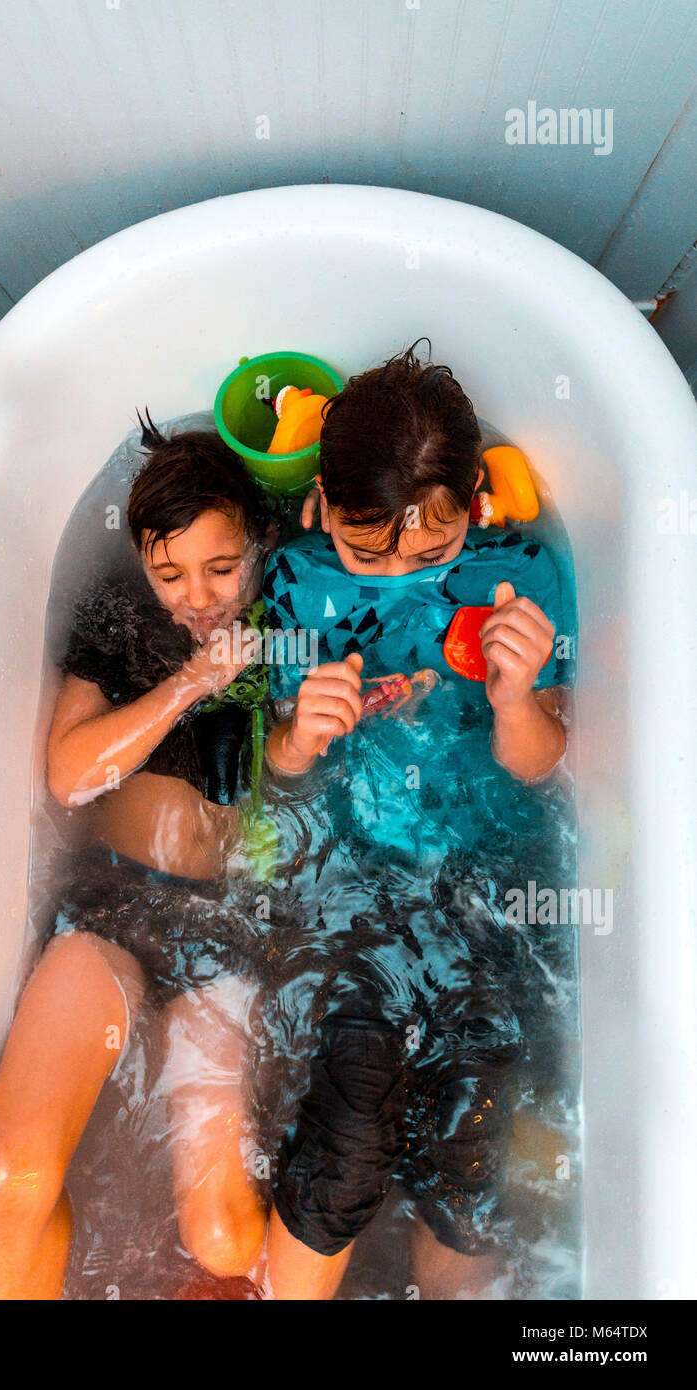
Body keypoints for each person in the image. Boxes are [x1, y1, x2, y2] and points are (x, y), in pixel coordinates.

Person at [259, 342, 574, 1299]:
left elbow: (544, 766)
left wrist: (519, 698)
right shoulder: (300, 582)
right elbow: (275, 770)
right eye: (368, 550)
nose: (399, 569)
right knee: (348, 1141)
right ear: (321, 498)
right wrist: (302, 740)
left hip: (491, 871)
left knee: (471, 1157)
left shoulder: (521, 575)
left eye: (431, 552)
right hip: (355, 875)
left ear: (475, 500)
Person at [0, 416, 282, 1298]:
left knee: (223, 1241)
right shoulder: (122, 616)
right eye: (170, 572)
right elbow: (68, 776)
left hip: (229, 935)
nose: (199, 596)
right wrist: (189, 683)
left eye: (223, 568)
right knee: (6, 1178)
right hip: (113, 906)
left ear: (261, 540)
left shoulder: (296, 604)